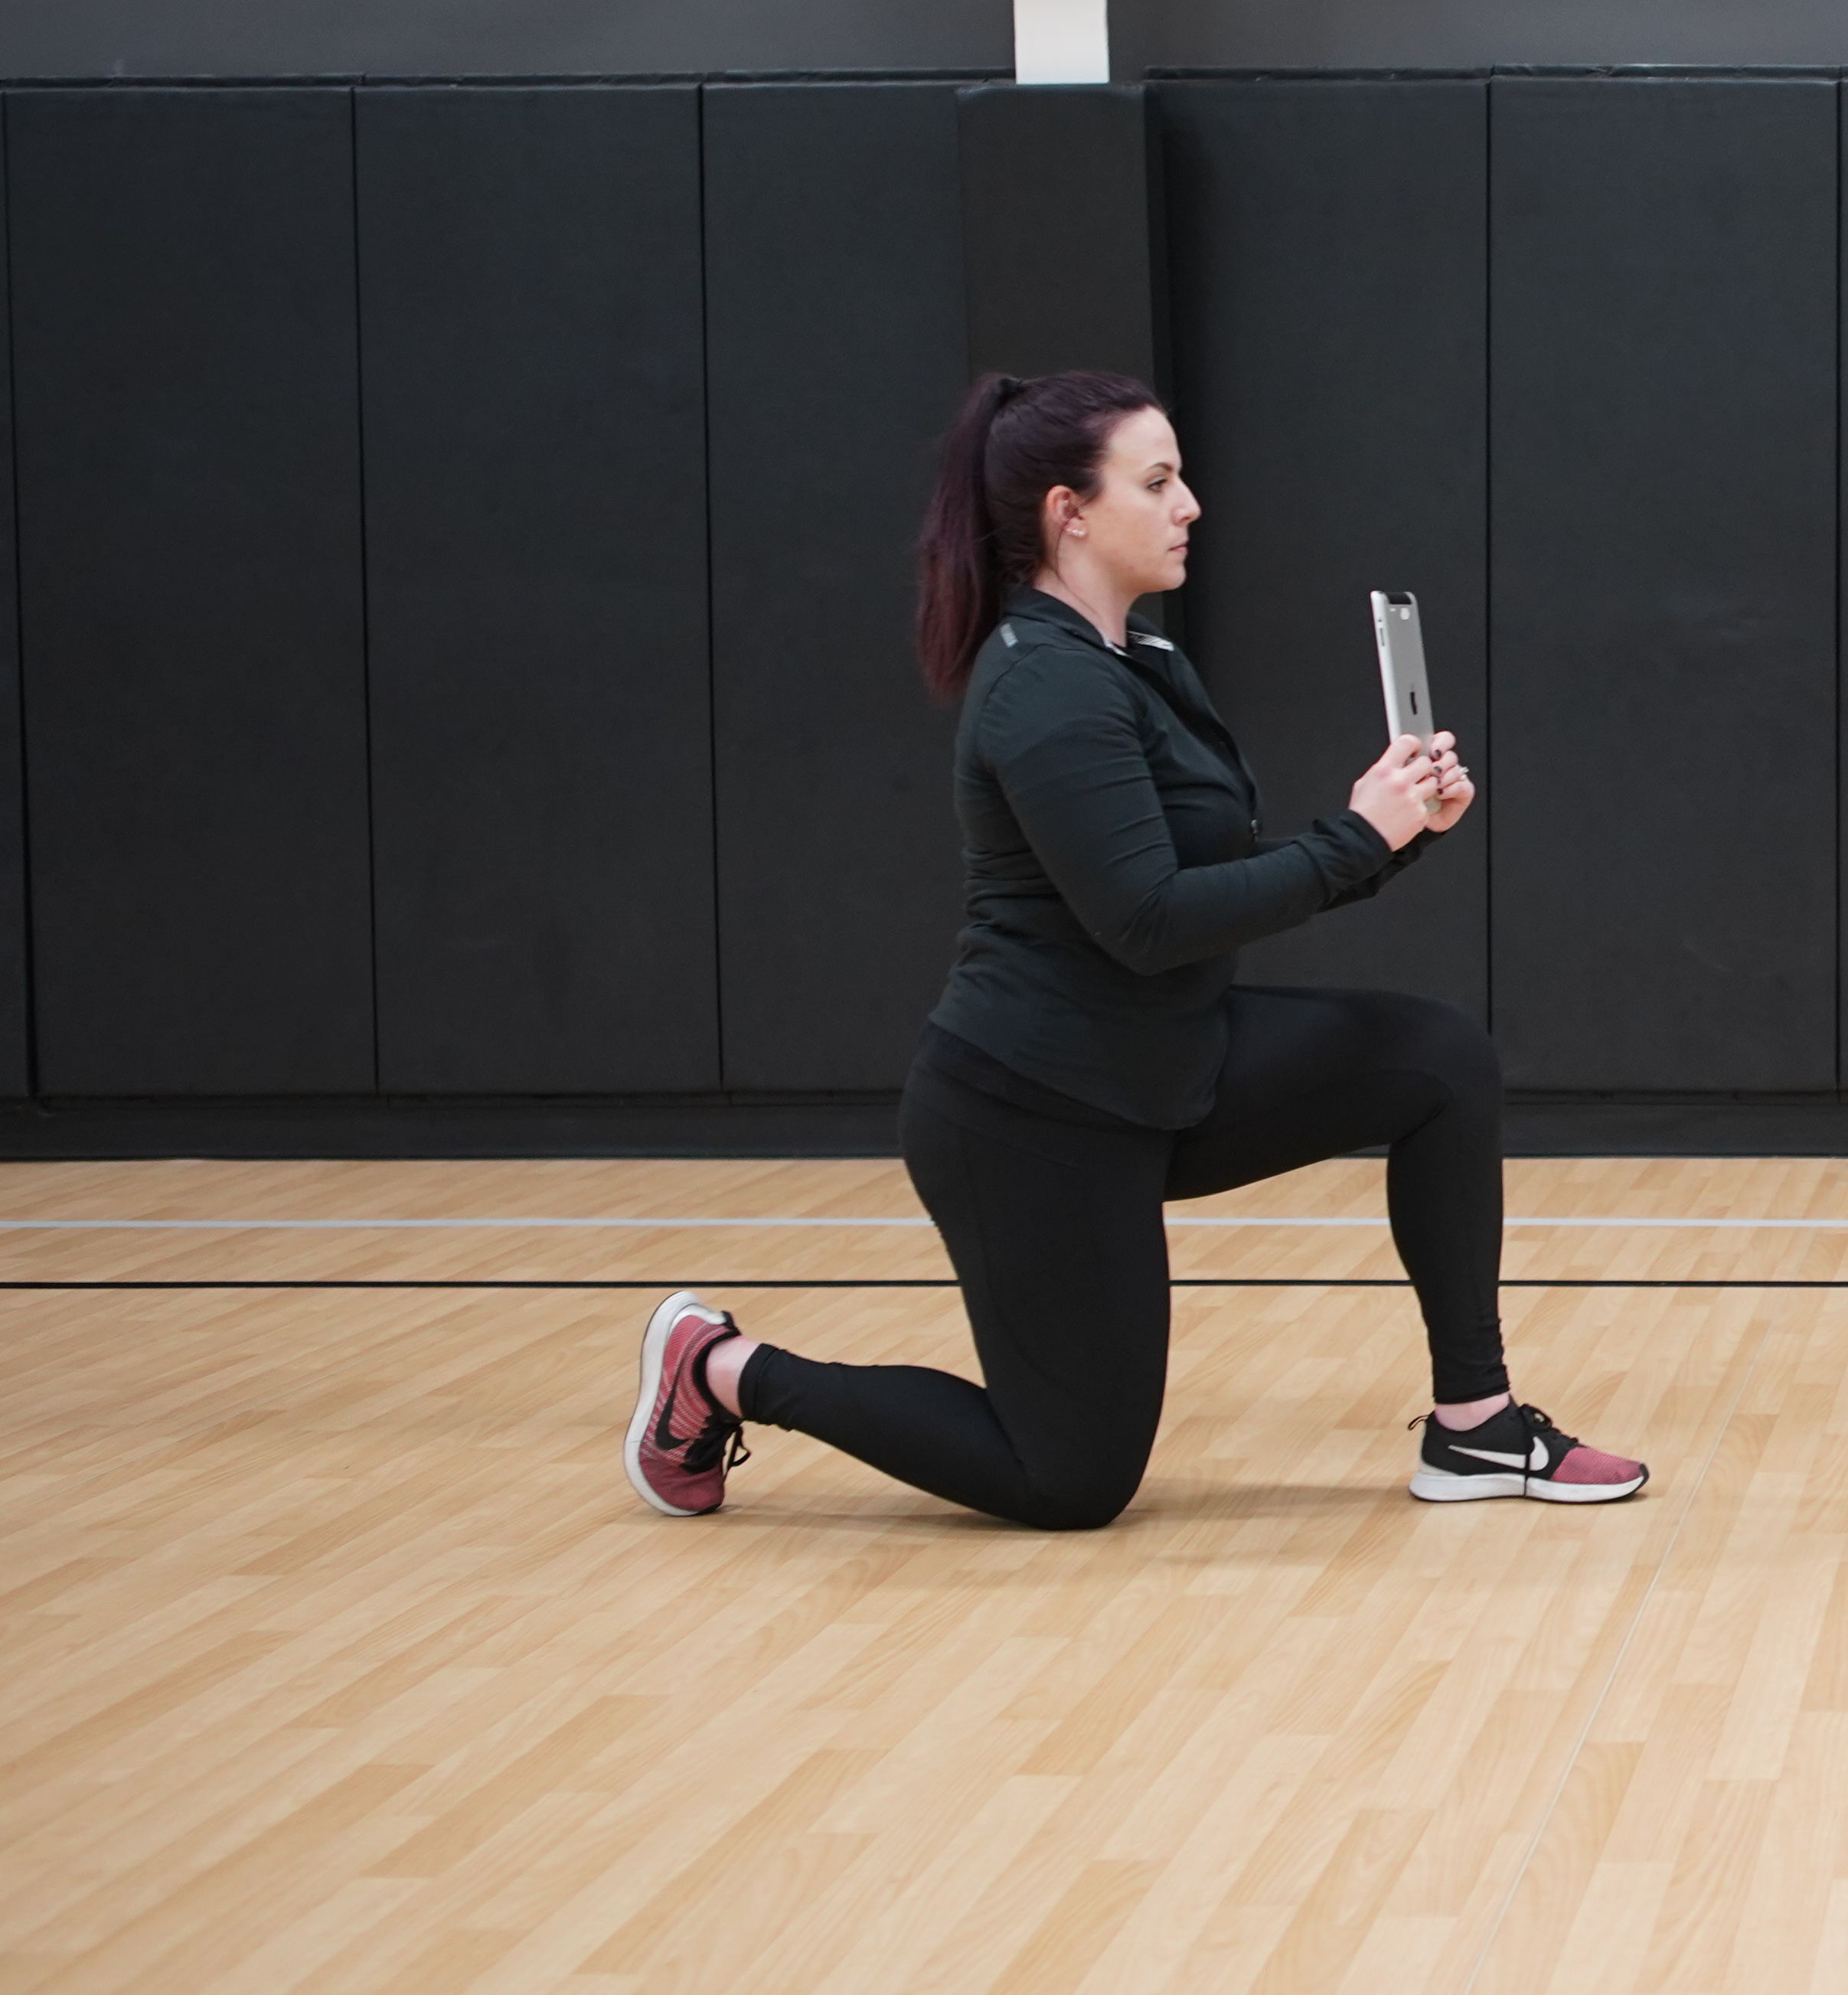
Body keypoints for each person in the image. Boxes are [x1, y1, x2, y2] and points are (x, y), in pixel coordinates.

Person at [618, 369, 1642, 1528]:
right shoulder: (1043, 689)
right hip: (1032, 1114)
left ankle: (1477, 1426)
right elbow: (1146, 921)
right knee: (1070, 1482)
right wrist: (1358, 836)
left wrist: (1395, 835)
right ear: (1070, 512)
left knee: (1439, 1062)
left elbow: (1214, 880)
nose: (1189, 504)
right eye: (1156, 482)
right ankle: (723, 1369)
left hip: (1164, 1067)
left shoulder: (1140, 661)